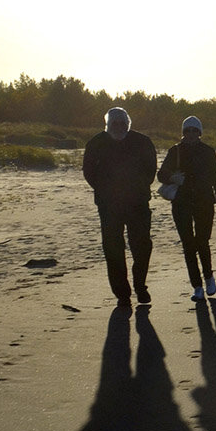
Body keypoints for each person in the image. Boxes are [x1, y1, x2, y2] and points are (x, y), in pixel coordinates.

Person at [83, 107, 158, 307]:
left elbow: (151, 171)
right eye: (114, 123)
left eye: (122, 123)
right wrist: (105, 191)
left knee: (142, 247)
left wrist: (138, 188)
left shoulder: (142, 142)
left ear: (128, 124)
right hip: (109, 207)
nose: (118, 127)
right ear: (107, 125)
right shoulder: (96, 143)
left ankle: (140, 286)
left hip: (138, 204)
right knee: (113, 249)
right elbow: (89, 172)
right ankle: (122, 293)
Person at [157, 116, 216, 303]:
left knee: (202, 242)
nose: (190, 134)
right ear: (183, 133)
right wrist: (173, 178)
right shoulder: (175, 151)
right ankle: (197, 287)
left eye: (194, 131)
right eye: (187, 131)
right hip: (181, 204)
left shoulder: (208, 152)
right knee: (188, 245)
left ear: (199, 133)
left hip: (205, 202)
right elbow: (161, 174)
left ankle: (209, 277)